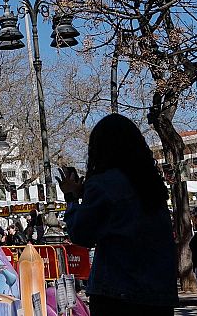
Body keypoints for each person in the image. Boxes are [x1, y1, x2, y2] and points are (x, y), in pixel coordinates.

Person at [60, 114, 177, 316]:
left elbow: (82, 234)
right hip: (158, 293)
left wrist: (71, 198)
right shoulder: (150, 185)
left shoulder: (103, 184)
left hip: (117, 291)